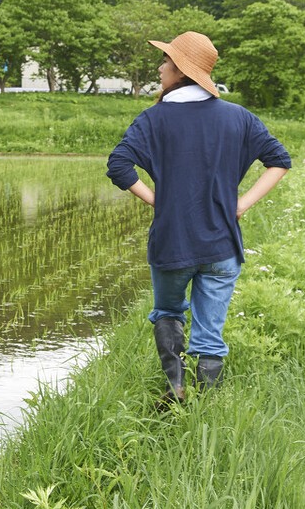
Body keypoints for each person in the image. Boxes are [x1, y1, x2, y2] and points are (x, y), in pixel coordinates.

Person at [106, 31, 290, 404]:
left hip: (174, 241)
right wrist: (241, 204)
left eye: (166, 62)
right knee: (210, 335)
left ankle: (176, 387)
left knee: (168, 311)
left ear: (181, 71)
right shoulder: (239, 117)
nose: (160, 68)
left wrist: (157, 201)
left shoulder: (155, 119)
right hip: (222, 242)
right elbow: (279, 161)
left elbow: (119, 165)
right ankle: (205, 409)